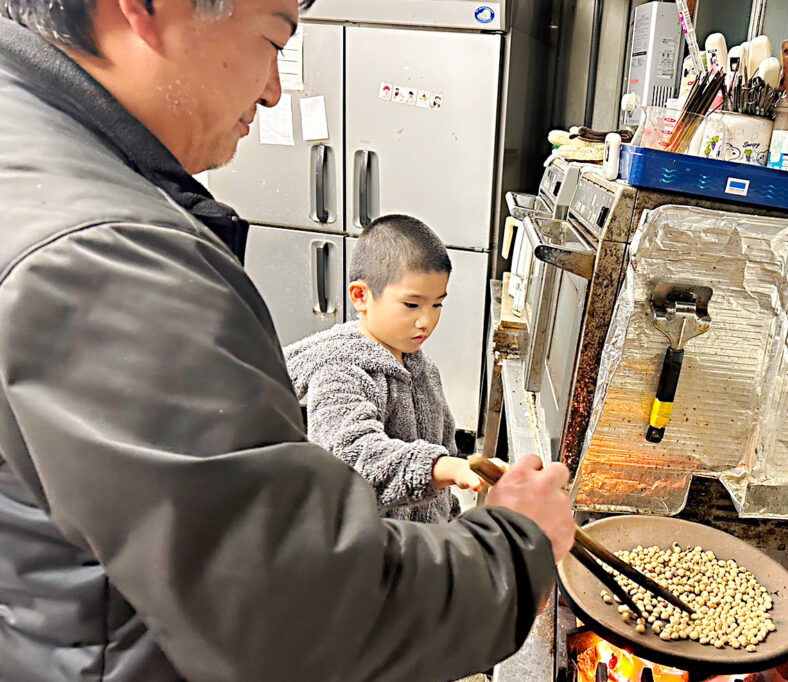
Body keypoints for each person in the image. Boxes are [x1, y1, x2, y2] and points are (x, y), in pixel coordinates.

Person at [0, 1, 576, 681]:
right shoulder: (109, 255)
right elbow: (294, 611)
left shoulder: (33, 145)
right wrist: (517, 542)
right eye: (274, 38)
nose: (275, 89)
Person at [286, 215, 488, 524]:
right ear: (361, 297)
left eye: (437, 305)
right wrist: (441, 468)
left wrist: (452, 523)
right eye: (412, 305)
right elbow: (350, 460)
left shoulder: (424, 370)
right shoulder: (341, 370)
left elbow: (442, 478)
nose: (427, 321)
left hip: (420, 549)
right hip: (367, 556)